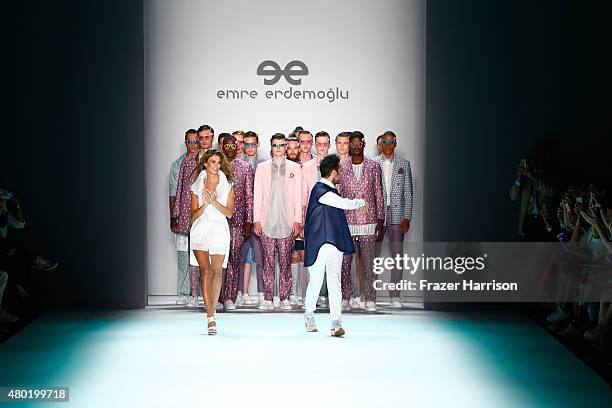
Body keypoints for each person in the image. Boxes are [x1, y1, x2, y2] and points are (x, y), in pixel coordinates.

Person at [303, 154, 367, 336]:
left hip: (334, 243)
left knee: (334, 280)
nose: (341, 173)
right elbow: (342, 204)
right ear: (333, 172)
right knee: (315, 281)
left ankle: (336, 322)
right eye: (339, 170)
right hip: (318, 245)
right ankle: (309, 314)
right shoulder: (319, 190)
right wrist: (360, 202)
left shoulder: (329, 190)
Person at [253, 133, 302, 311]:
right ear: (271, 146)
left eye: (282, 145)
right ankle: (268, 297)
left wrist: (297, 220)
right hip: (267, 220)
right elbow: (257, 194)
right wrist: (256, 219)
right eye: (275, 145)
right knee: (267, 261)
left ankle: (284, 297)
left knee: (285, 261)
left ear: (286, 147)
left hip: (287, 221)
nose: (279, 148)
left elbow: (298, 196)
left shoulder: (295, 168)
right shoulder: (262, 167)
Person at [190, 149, 235, 335]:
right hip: (200, 230)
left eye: (218, 162)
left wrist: (214, 202)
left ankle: (212, 312)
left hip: (219, 230)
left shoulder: (228, 184)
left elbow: (230, 213)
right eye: (213, 162)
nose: (216, 166)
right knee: (205, 272)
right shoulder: (197, 185)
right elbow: (193, 216)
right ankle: (210, 318)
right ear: (206, 164)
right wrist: (205, 204)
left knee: (217, 273)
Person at [338, 131, 384, 311]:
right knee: (345, 262)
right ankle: (345, 297)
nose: (356, 147)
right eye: (353, 144)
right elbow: (339, 195)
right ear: (349, 145)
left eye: (359, 144)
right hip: (348, 221)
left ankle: (370, 299)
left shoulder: (373, 166)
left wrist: (380, 221)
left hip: (369, 221)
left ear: (363, 144)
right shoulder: (342, 166)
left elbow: (379, 194)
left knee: (369, 262)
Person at [373, 131, 413, 308]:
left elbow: (409, 193)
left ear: (395, 143)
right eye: (385, 141)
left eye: (391, 141)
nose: (388, 144)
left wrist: (407, 216)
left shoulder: (404, 164)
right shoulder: (373, 163)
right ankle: (370, 294)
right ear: (380, 144)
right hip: (377, 215)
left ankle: (394, 295)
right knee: (372, 254)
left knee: (397, 255)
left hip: (397, 215)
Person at [220, 135, 254, 310]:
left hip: (237, 221)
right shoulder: (215, 165)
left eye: (234, 145)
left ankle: (229, 297)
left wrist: (248, 221)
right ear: (222, 146)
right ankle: (217, 296)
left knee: (233, 259)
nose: (231, 148)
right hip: (217, 220)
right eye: (227, 145)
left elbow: (249, 195)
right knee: (217, 259)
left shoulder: (245, 167)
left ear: (237, 146)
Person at [169, 129, 200, 306]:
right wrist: (173, 217)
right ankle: (183, 292)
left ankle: (196, 293)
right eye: (190, 142)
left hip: (199, 216)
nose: (193, 144)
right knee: (183, 256)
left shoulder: (205, 161)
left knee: (199, 255)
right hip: (182, 217)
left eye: (196, 141)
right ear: (185, 143)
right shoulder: (178, 164)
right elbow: (173, 193)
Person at [302, 131, 332, 307]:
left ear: (328, 144)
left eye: (324, 144)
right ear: (315, 145)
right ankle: (317, 296)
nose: (321, 147)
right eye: (318, 144)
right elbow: (304, 195)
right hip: (313, 219)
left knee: (331, 259)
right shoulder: (306, 167)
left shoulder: (336, 164)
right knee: (315, 258)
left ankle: (329, 295)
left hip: (331, 219)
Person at [239, 131, 266, 305]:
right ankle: (244, 292)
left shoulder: (264, 164)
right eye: (247, 144)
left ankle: (263, 293)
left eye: (253, 144)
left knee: (261, 255)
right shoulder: (238, 164)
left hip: (261, 214)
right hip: (242, 215)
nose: (250, 147)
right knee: (244, 255)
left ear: (258, 144)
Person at [510, 147, 556, 241]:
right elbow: (513, 197)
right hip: (528, 220)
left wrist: (533, 177)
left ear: (543, 159)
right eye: (532, 158)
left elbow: (550, 192)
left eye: (536, 157)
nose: (533, 160)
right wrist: (518, 179)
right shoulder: (525, 178)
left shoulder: (549, 175)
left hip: (544, 219)